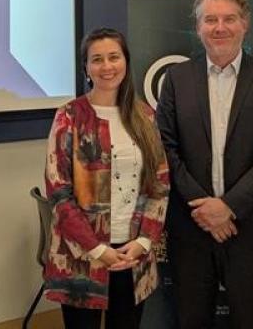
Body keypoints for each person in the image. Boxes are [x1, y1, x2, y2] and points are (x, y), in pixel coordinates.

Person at [156, 0, 253, 329]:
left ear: (245, 24)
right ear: (198, 26)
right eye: (210, 19)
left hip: (251, 228)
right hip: (191, 227)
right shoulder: (176, 79)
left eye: (229, 19)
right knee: (191, 319)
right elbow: (165, 150)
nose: (220, 28)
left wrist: (227, 207)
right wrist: (205, 207)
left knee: (250, 320)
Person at [44, 28, 170, 329]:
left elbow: (160, 184)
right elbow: (59, 192)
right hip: (81, 258)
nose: (107, 66)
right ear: (86, 68)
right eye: (96, 59)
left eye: (114, 57)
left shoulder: (145, 116)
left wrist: (143, 241)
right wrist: (98, 249)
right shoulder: (70, 116)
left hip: (133, 254)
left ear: (125, 62)